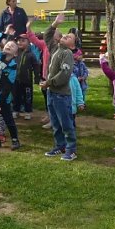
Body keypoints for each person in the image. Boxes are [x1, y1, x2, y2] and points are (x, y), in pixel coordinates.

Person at [41, 29, 77, 160]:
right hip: (52, 93)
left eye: (70, 37)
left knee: (66, 123)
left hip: (61, 95)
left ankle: (71, 149)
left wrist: (49, 82)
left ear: (72, 45)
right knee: (55, 123)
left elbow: (64, 74)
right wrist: (55, 24)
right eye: (66, 35)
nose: (66, 35)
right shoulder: (56, 49)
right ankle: (60, 146)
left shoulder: (67, 53)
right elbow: (47, 35)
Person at [12, 33, 41, 120]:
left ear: (28, 42)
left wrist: (37, 78)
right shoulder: (15, 54)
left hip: (27, 80)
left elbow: (36, 66)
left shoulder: (31, 54)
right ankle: (15, 110)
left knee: (27, 96)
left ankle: (27, 111)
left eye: (23, 41)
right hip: (16, 79)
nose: (20, 42)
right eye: (18, 41)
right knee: (16, 95)